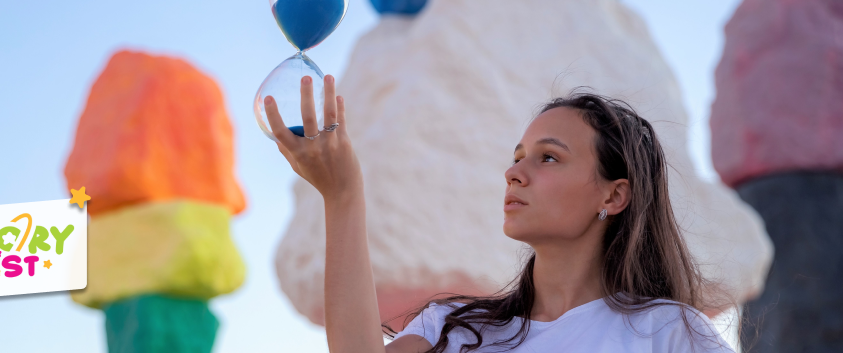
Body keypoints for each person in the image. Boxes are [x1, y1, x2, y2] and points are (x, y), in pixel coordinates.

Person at [262, 75, 736, 353]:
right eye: (518, 155)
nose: (514, 172)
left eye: (547, 157)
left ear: (613, 197)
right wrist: (343, 196)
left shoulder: (670, 332)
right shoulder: (452, 329)